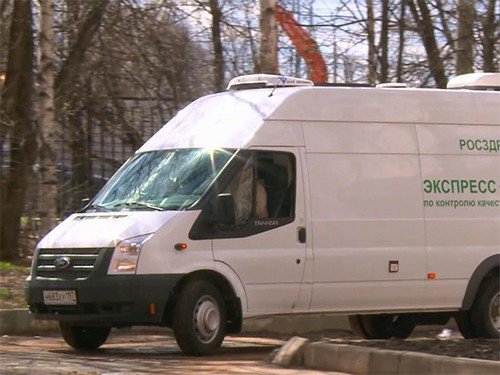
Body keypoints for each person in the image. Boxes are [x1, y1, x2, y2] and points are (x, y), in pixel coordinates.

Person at [230, 159, 268, 224]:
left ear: (250, 170)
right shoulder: (229, 184)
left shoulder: (257, 188)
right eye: (238, 170)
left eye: (244, 170)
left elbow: (258, 210)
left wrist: (236, 207)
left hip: (253, 227)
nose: (241, 173)